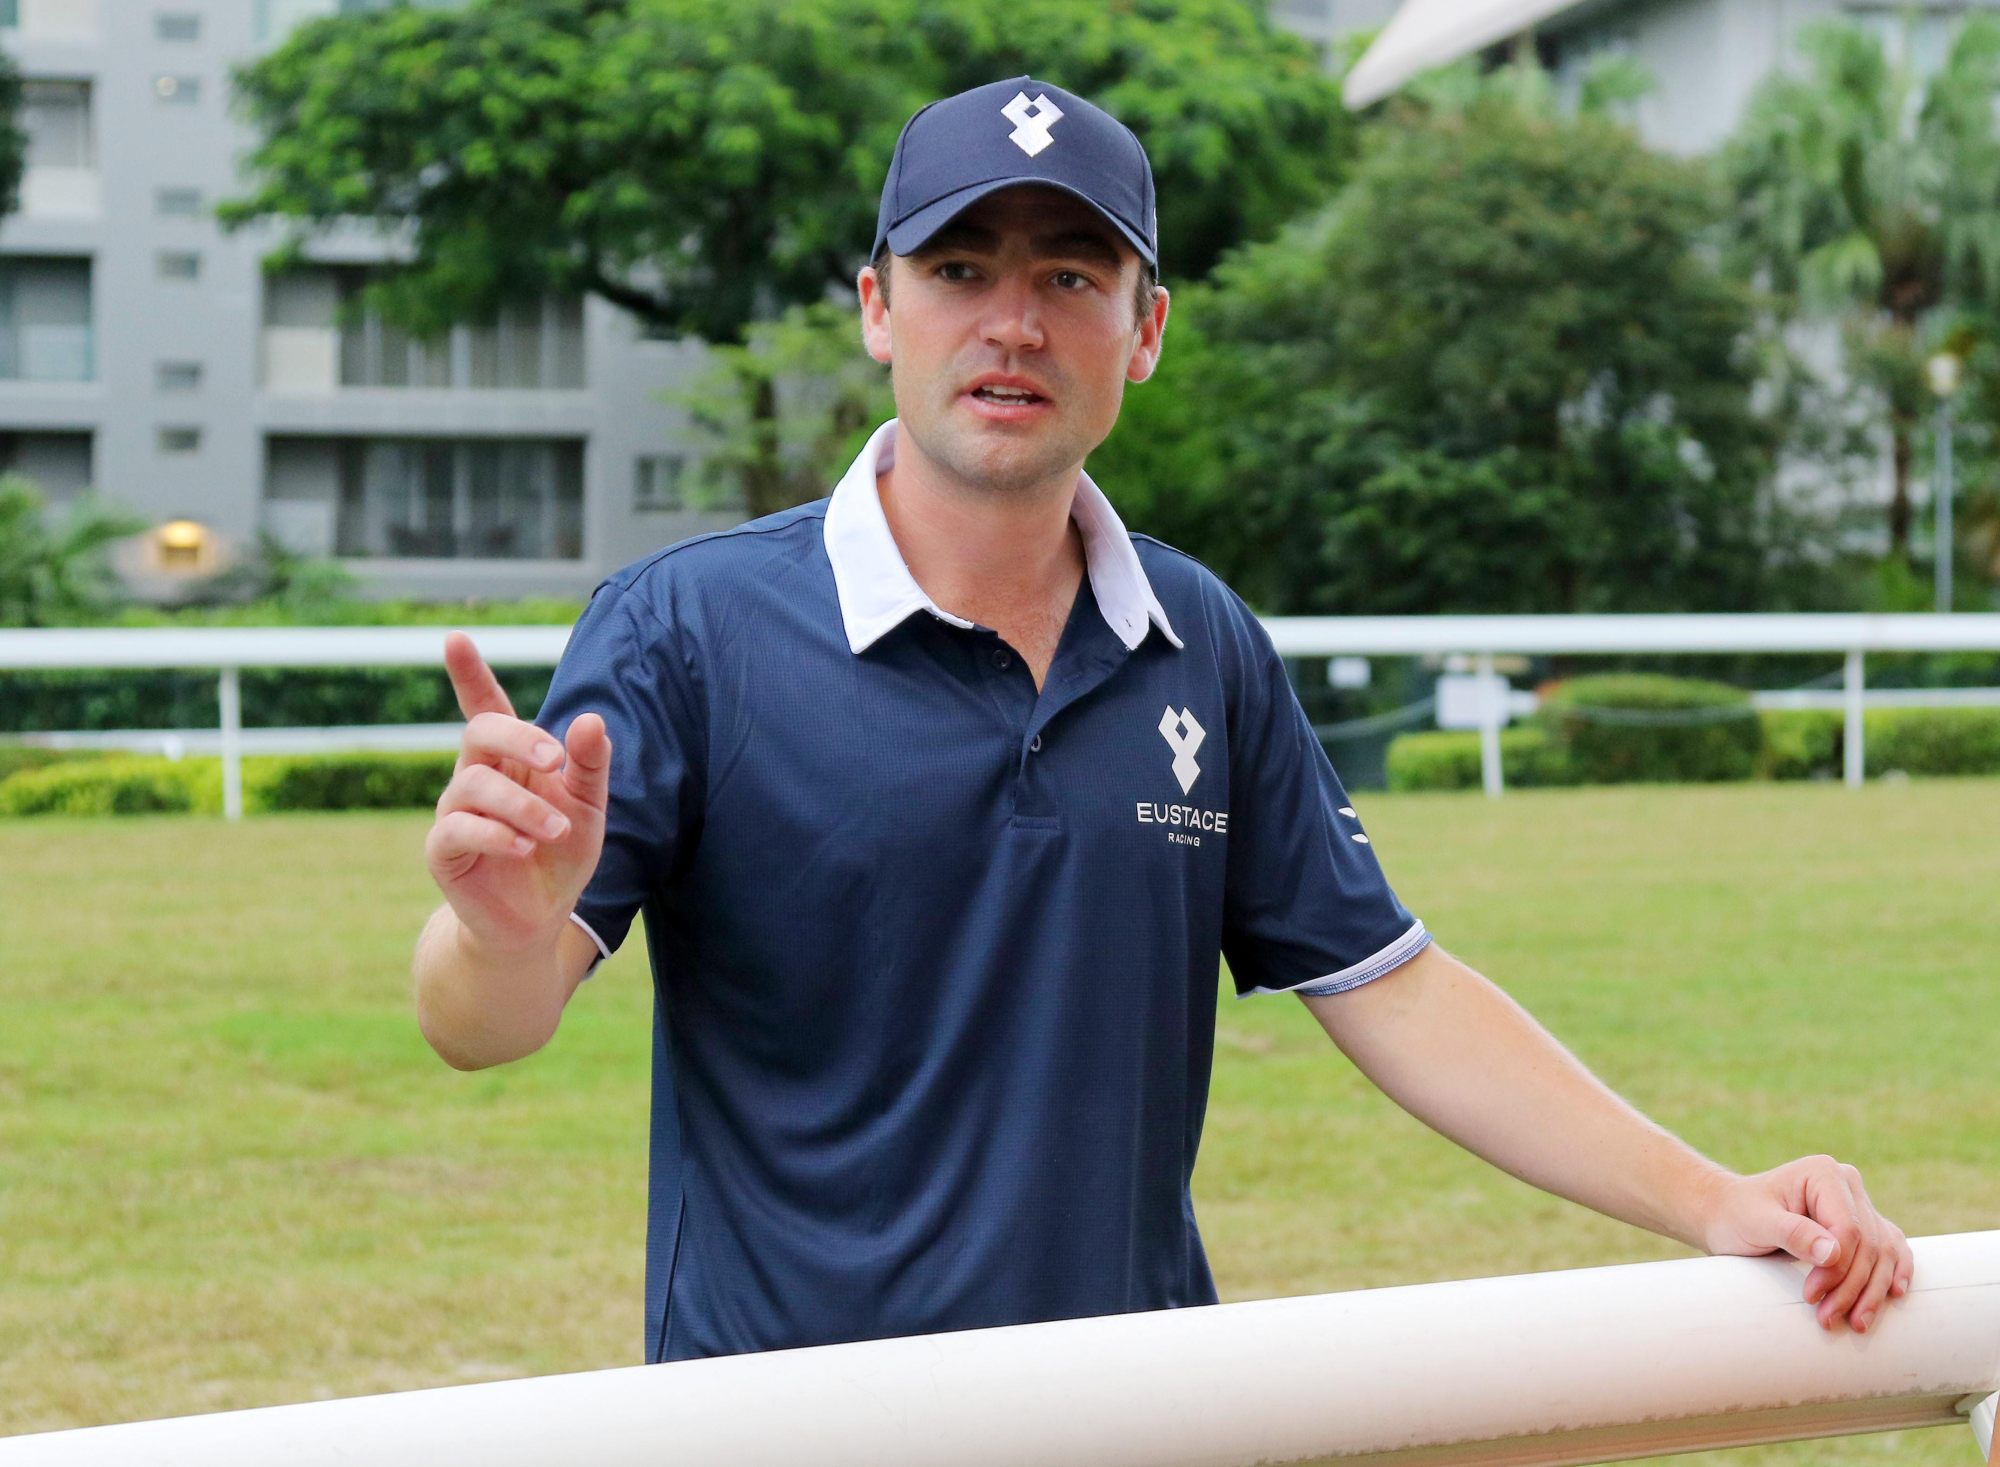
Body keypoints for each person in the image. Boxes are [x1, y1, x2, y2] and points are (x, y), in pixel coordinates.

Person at [412, 77, 1911, 1365]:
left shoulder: (1200, 640)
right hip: (789, 1417)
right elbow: (487, 1025)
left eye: (1072, 277)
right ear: (878, 309)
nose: (1011, 323)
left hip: (1140, 1407)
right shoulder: (688, 627)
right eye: (956, 268)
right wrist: (494, 931)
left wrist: (1715, 1196)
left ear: (1147, 331)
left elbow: (1389, 987)